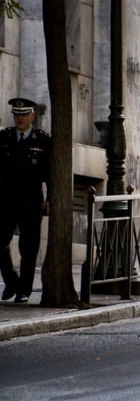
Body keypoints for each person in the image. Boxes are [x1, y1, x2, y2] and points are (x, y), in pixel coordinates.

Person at [0, 98, 51, 303]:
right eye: (16, 114)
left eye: (23, 114)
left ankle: (24, 290)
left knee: (28, 248)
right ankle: (11, 281)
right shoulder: (4, 138)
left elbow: (50, 173)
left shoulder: (43, 141)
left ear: (32, 115)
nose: (19, 118)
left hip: (31, 201)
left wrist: (50, 198)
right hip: (5, 200)